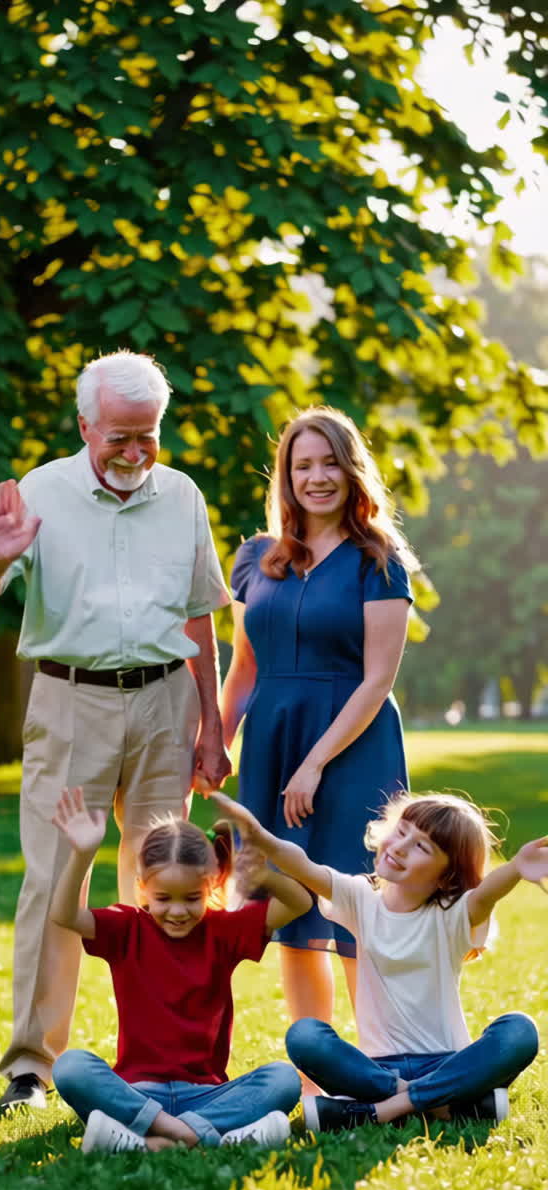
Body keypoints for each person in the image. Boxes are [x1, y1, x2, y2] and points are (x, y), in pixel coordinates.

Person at [0, 351, 232, 1110]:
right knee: (54, 877)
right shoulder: (38, 493)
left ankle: (158, 1057)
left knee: (162, 883)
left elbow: (199, 616)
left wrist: (210, 723)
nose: (136, 451)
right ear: (85, 425)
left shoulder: (182, 497)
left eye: (148, 435)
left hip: (163, 703)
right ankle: (31, 1066)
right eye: (120, 435)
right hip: (70, 701)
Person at [220, 405, 420, 1053]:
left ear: (351, 468)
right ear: (285, 476)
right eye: (302, 465)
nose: (317, 477)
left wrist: (315, 762)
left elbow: (378, 680)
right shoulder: (255, 559)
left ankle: (382, 1061)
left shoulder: (379, 559)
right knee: (292, 911)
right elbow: (243, 669)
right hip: (270, 746)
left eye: (330, 461)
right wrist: (214, 744)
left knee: (359, 909)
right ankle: (317, 1072)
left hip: (353, 746)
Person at [212, 790, 543, 1132]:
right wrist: (261, 837)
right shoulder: (361, 899)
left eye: (421, 847)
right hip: (376, 1072)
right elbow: (305, 867)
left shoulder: (452, 916)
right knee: (305, 1036)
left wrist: (517, 868)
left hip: (447, 1061)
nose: (400, 846)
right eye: (402, 832)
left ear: (446, 876)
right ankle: (444, 1103)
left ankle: (377, 1111)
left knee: (519, 1031)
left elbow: (485, 895)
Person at [48, 786, 309, 1153]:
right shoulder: (127, 928)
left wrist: (265, 877)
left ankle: (147, 1142)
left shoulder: (222, 930)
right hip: (137, 1092)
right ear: (142, 889)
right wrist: (81, 854)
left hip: (208, 1094)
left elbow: (299, 902)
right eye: (163, 899)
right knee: (71, 1066)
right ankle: (195, 1136)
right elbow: (64, 914)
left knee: (282, 1078)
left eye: (191, 898)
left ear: (211, 886)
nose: (177, 911)